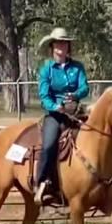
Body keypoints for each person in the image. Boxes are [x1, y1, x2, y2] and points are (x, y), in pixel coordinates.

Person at [34, 27, 90, 205]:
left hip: (75, 112)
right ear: (52, 48)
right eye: (58, 45)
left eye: (64, 45)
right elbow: (44, 96)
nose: (61, 49)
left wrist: (76, 95)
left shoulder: (77, 67)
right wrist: (55, 107)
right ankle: (42, 181)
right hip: (56, 115)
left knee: (98, 134)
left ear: (68, 48)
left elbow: (85, 87)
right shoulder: (46, 70)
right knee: (49, 144)